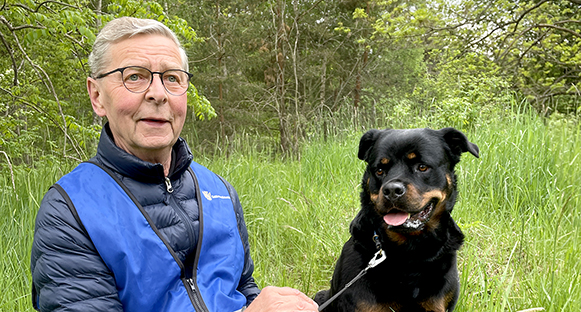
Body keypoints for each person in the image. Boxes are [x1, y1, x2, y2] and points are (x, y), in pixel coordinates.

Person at [30, 16, 318, 312]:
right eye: (134, 76)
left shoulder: (219, 191)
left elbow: (243, 289)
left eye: (171, 78)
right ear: (97, 96)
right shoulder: (71, 209)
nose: (158, 93)